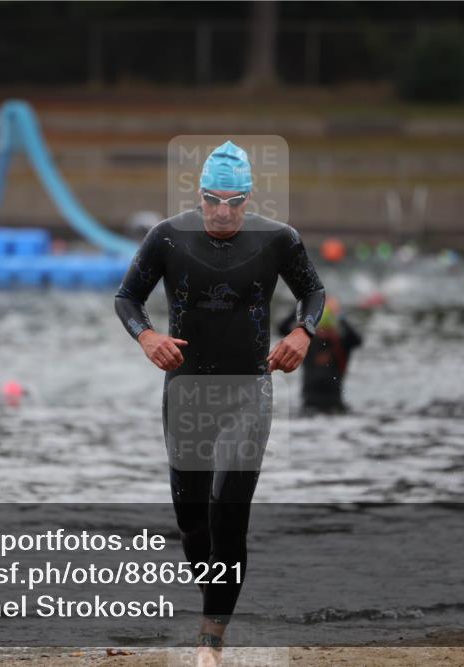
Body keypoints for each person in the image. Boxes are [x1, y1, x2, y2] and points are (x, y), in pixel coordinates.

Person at [114, 141, 325, 667]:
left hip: (248, 390)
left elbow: (314, 293)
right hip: (185, 392)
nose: (223, 211)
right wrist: (145, 337)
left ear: (249, 198)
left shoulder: (279, 240)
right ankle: (212, 609)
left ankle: (211, 639)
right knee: (192, 522)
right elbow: (126, 298)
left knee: (228, 510)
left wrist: (303, 332)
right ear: (200, 195)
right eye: (213, 200)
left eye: (234, 201)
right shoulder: (167, 237)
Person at [277, 296, 363, 415]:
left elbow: (358, 340)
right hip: (308, 403)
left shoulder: (341, 343)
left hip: (335, 403)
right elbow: (281, 329)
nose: (324, 333)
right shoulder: (306, 342)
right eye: (322, 330)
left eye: (328, 330)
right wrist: (301, 308)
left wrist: (340, 315)